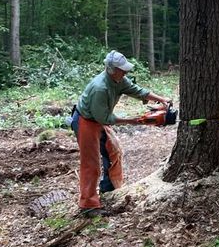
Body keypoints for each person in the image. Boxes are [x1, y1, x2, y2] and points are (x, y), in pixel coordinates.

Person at [71, 51, 171, 213]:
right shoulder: (100, 88)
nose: (125, 72)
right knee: (91, 163)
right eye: (122, 70)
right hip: (86, 121)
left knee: (114, 151)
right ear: (111, 69)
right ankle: (87, 205)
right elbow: (104, 118)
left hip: (99, 118)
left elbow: (137, 90)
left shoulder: (119, 80)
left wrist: (161, 99)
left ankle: (110, 189)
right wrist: (131, 120)